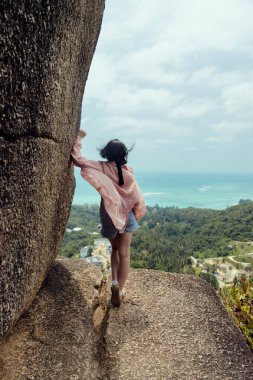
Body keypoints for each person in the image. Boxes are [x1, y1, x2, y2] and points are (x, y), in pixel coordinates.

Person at [70, 130, 146, 307]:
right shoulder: (128, 173)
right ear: (124, 154)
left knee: (115, 251)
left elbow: (77, 159)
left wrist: (78, 138)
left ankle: (113, 283)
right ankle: (120, 289)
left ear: (106, 153)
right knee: (125, 254)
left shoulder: (102, 167)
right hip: (128, 217)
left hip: (109, 216)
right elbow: (136, 198)